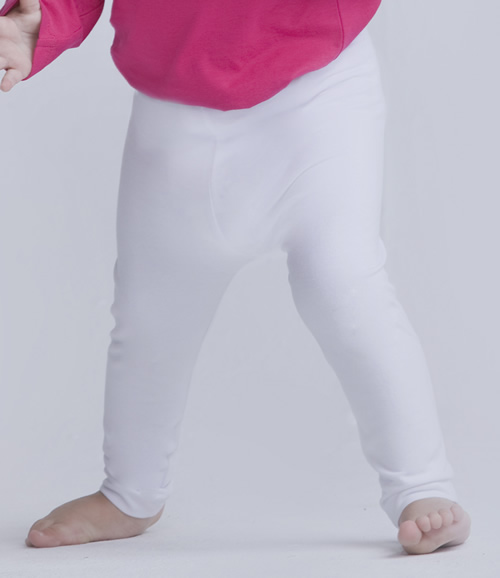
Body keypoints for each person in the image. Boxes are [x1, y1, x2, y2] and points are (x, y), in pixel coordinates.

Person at [0, 0, 471, 555]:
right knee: (151, 315)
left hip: (317, 92)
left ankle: (421, 481)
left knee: (342, 280)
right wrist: (39, 23)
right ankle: (131, 492)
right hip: (173, 103)